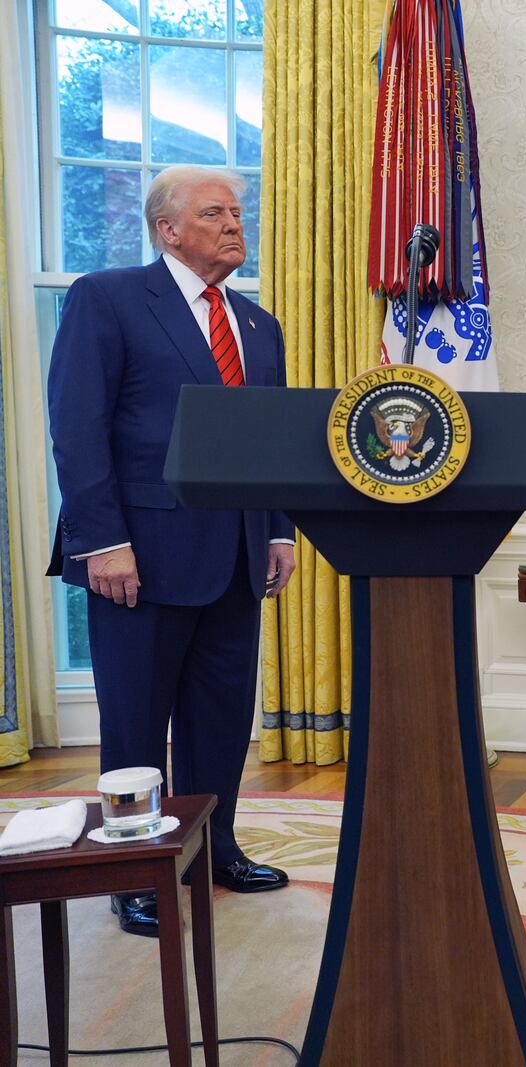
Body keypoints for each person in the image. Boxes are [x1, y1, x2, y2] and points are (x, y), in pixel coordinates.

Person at [46, 166, 298, 937]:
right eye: (215, 212)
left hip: (235, 556)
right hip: (138, 558)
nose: (233, 223)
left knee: (219, 718)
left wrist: (280, 528)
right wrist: (103, 542)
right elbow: (78, 427)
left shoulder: (258, 325)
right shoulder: (109, 298)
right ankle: (134, 870)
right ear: (168, 229)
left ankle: (216, 846)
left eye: (237, 212)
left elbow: (271, 441)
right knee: (135, 720)